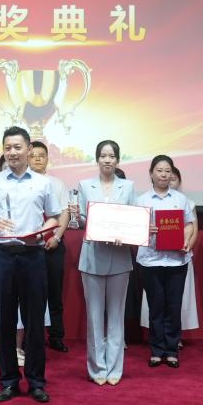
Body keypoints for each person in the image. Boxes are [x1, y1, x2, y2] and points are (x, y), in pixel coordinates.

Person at [0, 126, 61, 403]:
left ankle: (36, 381)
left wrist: (42, 232)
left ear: (28, 149)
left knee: (34, 321)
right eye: (8, 148)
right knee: (5, 321)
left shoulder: (43, 183)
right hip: (1, 255)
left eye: (17, 147)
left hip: (32, 255)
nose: (12, 152)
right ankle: (9, 381)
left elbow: (54, 217)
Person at [75, 140, 134, 386]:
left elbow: (133, 219)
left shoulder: (128, 186)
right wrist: (81, 218)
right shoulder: (84, 185)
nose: (107, 160)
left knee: (116, 316)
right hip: (92, 256)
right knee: (94, 316)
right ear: (97, 159)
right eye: (103, 155)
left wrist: (128, 233)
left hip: (120, 257)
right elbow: (81, 220)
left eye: (111, 156)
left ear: (117, 160)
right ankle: (97, 367)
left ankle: (115, 368)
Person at [135, 155, 196, 368]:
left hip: (177, 261)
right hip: (150, 261)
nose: (163, 174)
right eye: (159, 170)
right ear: (151, 174)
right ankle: (156, 349)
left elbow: (189, 224)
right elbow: (134, 229)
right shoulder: (141, 200)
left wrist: (186, 240)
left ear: (172, 174)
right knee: (156, 306)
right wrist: (146, 229)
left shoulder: (181, 199)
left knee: (173, 306)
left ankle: (171, 350)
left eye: (167, 171)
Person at [28, 141, 70, 352]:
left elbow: (64, 212)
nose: (37, 158)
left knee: (54, 292)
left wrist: (57, 237)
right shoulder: (23, 182)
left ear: (47, 159)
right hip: (29, 247)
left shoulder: (57, 183)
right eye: (33, 155)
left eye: (41, 155)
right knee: (29, 295)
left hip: (53, 244)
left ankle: (56, 335)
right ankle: (29, 337)